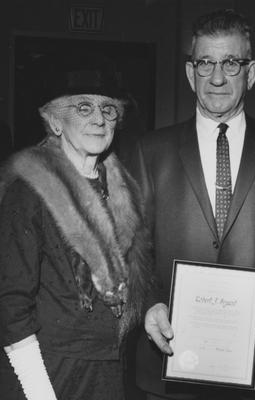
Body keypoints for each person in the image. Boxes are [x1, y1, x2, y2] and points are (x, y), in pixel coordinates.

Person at [129, 9, 255, 400]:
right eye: (206, 63)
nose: (217, 77)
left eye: (231, 63)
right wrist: (149, 303)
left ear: (250, 73)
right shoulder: (150, 151)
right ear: (190, 73)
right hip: (172, 365)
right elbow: (132, 248)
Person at [0, 53, 154, 400]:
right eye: (82, 108)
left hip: (110, 369)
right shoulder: (28, 189)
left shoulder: (125, 189)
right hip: (49, 371)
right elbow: (10, 302)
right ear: (55, 122)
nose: (99, 119)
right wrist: (38, 389)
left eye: (108, 109)